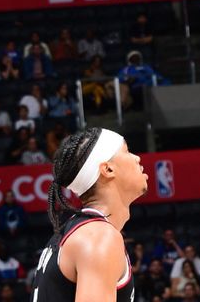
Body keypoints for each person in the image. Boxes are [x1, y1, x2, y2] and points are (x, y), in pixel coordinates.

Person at [32, 127, 147, 301]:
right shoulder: (98, 236)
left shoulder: (79, 231)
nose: (137, 158)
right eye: (127, 151)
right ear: (107, 169)